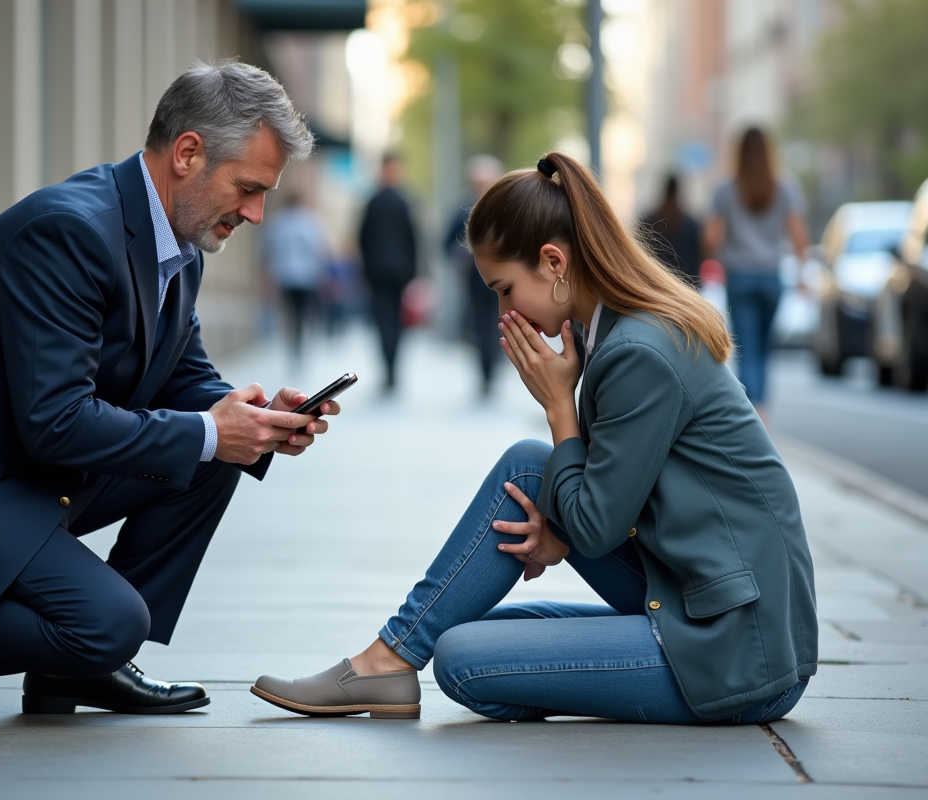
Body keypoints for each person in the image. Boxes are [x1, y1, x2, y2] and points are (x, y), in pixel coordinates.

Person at [0, 60, 337, 721]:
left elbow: (185, 378)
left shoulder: (176, 243)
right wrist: (213, 433)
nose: (256, 212)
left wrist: (260, 421)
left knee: (213, 457)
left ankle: (71, 669)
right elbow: (55, 420)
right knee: (112, 617)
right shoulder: (70, 230)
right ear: (188, 153)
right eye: (247, 188)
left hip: (25, 464)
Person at [250, 152, 817, 725]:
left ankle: (386, 663)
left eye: (504, 289)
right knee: (491, 567)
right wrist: (560, 531)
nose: (502, 313)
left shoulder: (638, 352)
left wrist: (557, 407)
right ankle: (391, 658)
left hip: (741, 649)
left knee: (463, 660)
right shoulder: (616, 331)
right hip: (695, 594)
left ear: (553, 262)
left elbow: (595, 525)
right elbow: (608, 492)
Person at [704, 127, 810, 420]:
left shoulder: (726, 188)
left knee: (747, 351)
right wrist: (803, 273)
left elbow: (711, 238)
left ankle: (754, 414)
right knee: (763, 351)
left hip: (739, 277)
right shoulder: (785, 186)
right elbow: (798, 235)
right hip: (772, 278)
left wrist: (719, 252)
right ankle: (762, 411)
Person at [446, 154, 505, 397]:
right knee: (480, 327)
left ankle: (494, 366)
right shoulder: (463, 211)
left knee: (500, 323)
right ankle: (486, 371)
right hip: (475, 281)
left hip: (504, 281)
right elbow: (446, 243)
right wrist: (460, 253)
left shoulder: (505, 209)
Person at [358, 153, 418, 391]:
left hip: (378, 272)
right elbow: (413, 238)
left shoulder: (374, 201)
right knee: (394, 322)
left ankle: (389, 369)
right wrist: (413, 271)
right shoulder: (404, 201)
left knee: (384, 321)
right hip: (397, 272)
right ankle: (391, 368)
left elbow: (363, 238)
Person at [260, 193, 330, 359]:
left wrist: (267, 275)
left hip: (285, 275)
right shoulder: (310, 221)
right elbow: (320, 248)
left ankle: (294, 340)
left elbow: (267, 250)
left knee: (291, 310)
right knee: (302, 311)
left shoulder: (277, 223)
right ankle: (299, 339)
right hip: (307, 276)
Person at [641, 173, 703, 289]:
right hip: (686, 287)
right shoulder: (691, 224)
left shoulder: (648, 223)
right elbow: (700, 256)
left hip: (656, 285)